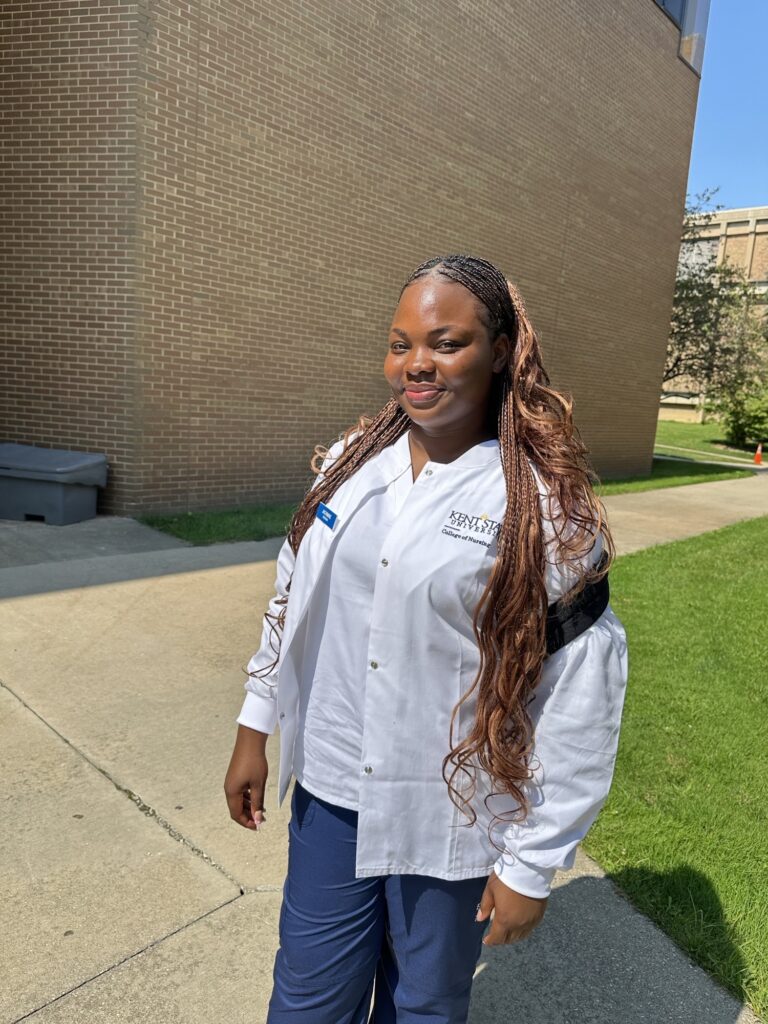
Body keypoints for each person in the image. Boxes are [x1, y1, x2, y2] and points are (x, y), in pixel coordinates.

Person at [224, 254, 629, 1023]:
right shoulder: (350, 465)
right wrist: (256, 723)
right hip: (331, 796)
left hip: (451, 812)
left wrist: (534, 865)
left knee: (425, 1008)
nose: (417, 365)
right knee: (306, 1000)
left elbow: (582, 692)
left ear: (503, 350)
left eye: (445, 343)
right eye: (400, 342)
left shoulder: (542, 509)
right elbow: (290, 596)